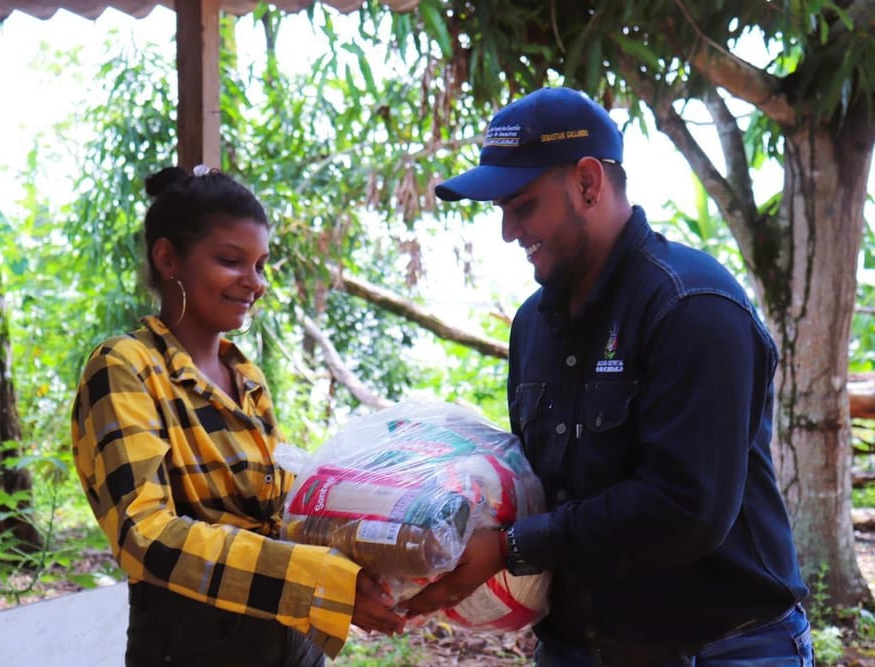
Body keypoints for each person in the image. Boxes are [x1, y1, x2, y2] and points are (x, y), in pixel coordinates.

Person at [398, 87, 813, 666]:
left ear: (588, 183)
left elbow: (685, 509)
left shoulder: (692, 305)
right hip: (578, 650)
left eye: (522, 206)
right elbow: (537, 484)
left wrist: (513, 546)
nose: (508, 233)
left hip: (725, 649)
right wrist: (423, 537)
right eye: (502, 213)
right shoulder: (532, 326)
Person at [71, 166, 404, 667]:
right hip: (190, 648)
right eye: (231, 261)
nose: (255, 283)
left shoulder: (245, 376)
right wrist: (317, 579)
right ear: (167, 259)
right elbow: (145, 536)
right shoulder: (125, 368)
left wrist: (380, 532)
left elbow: (280, 513)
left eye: (261, 265)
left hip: (290, 641)